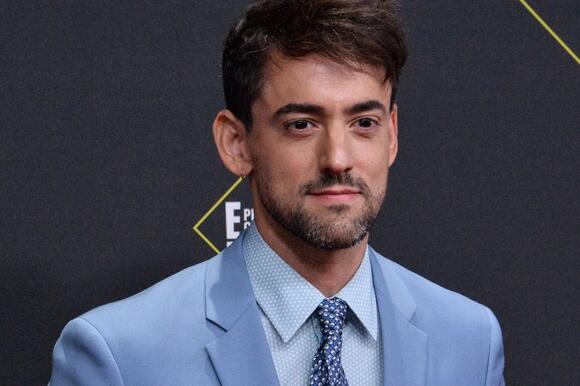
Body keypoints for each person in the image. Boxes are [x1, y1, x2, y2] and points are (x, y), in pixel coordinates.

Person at [50, 1, 505, 385]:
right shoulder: (120, 356)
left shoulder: (470, 341)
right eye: (301, 125)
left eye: (363, 123)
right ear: (237, 143)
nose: (338, 158)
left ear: (392, 134)